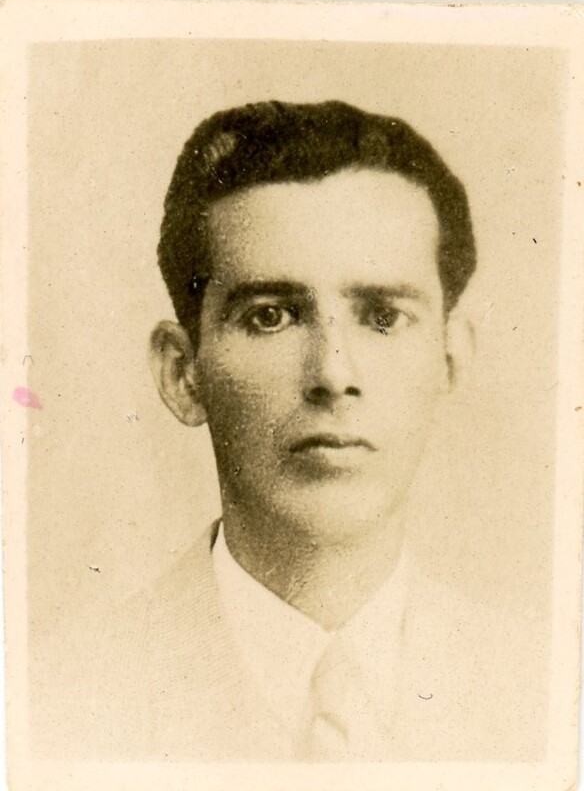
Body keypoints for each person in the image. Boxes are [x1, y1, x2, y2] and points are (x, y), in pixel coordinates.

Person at [88, 100, 545, 762]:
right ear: (183, 374)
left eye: (383, 317)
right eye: (270, 316)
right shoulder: (57, 697)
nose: (333, 373)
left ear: (449, 359)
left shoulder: (547, 697)